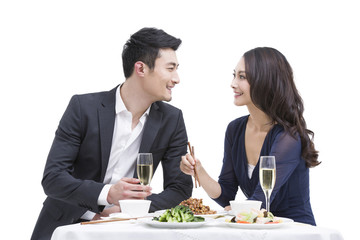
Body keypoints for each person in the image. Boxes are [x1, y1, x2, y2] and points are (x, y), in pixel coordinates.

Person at [31, 27, 193, 240]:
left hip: (128, 229)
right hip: (68, 225)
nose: (177, 78)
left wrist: (130, 209)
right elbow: (53, 178)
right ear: (141, 68)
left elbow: (180, 187)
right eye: (170, 68)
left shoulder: (171, 119)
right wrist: (107, 194)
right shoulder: (83, 108)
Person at [180, 47, 320, 226]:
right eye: (234, 75)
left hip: (293, 230)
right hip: (257, 229)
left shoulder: (288, 138)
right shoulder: (235, 129)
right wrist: (198, 171)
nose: (233, 83)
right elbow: (226, 194)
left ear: (265, 82)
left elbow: (260, 202)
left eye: (242, 77)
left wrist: (232, 211)